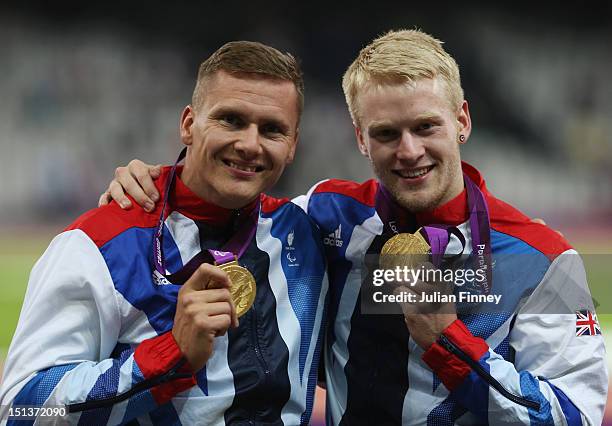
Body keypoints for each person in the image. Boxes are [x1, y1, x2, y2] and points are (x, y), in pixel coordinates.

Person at [103, 30, 607, 424]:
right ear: (360, 139)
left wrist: (451, 344)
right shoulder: (325, 216)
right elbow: (231, 199)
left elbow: (574, 414)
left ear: (462, 122)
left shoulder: (546, 260)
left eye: (425, 126)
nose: (409, 151)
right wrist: (156, 183)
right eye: (386, 133)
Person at [0, 41, 329, 425]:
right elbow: (20, 409)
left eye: (272, 130)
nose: (249, 144)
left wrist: (421, 317)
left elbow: (393, 296)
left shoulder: (309, 232)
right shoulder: (99, 244)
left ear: (292, 146)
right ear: (189, 125)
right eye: (231, 120)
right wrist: (169, 355)